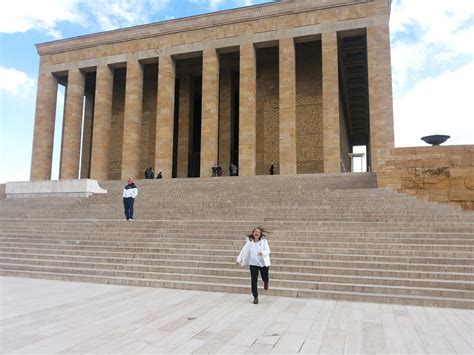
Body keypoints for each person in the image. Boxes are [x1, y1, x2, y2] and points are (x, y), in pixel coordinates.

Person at [236, 226, 271, 304]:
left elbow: (268, 250)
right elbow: (243, 251)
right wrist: (239, 260)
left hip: (263, 263)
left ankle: (266, 282)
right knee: (253, 280)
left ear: (260, 234)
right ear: (253, 233)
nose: (257, 233)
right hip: (253, 264)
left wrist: (263, 253)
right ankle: (255, 297)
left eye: (258, 232)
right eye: (255, 231)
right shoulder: (249, 243)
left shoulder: (264, 241)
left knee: (265, 277)